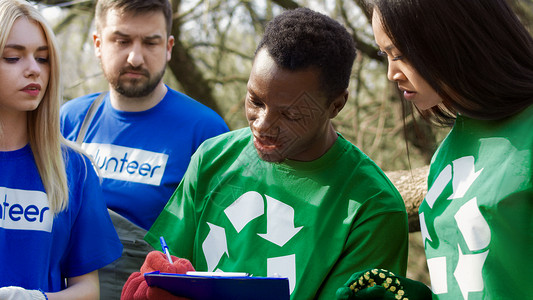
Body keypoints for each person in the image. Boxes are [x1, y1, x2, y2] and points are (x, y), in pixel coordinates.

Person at [124, 7, 409, 299]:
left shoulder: (373, 208)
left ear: (336, 105)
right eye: (255, 101)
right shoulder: (213, 159)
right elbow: (165, 264)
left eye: (291, 115)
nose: (263, 125)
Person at [338, 0, 533, 299]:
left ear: (450, 37)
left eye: (399, 54)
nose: (391, 73)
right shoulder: (447, 151)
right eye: (384, 54)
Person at [59, 0, 229, 298]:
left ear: (169, 47)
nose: (135, 57)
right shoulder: (67, 121)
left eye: (151, 42)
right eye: (121, 40)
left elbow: (219, 250)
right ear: (98, 43)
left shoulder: (205, 131)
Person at [0, 0, 123, 299]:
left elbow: (88, 289)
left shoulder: (74, 168)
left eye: (42, 59)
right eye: (13, 57)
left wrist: (35, 299)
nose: (33, 70)